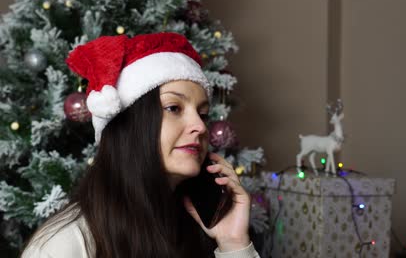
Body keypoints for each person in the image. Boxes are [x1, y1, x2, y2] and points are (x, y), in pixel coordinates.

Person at [21, 33, 261, 258]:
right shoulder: (65, 245)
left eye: (203, 114)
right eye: (174, 108)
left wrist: (233, 243)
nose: (200, 126)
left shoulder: (197, 227)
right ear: (130, 125)